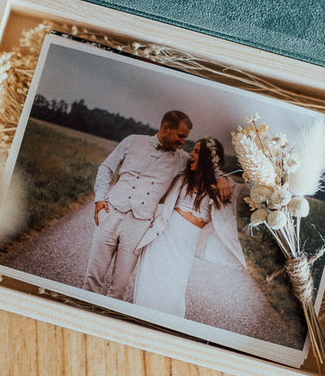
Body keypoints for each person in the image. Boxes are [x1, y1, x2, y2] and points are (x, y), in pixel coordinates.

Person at [82, 111, 229, 301]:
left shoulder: (181, 159)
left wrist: (221, 177)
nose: (183, 142)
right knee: (93, 277)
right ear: (166, 128)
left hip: (139, 225)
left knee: (119, 286)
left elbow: (206, 163)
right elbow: (106, 167)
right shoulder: (132, 141)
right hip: (112, 213)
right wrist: (100, 198)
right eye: (181, 135)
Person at [133, 136, 247, 318]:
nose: (191, 154)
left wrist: (221, 176)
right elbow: (171, 153)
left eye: (195, 151)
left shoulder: (226, 186)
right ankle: (140, 320)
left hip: (187, 244)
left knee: (174, 287)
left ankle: (165, 328)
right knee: (150, 282)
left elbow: (250, 190)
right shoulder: (184, 174)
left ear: (206, 158)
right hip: (164, 235)